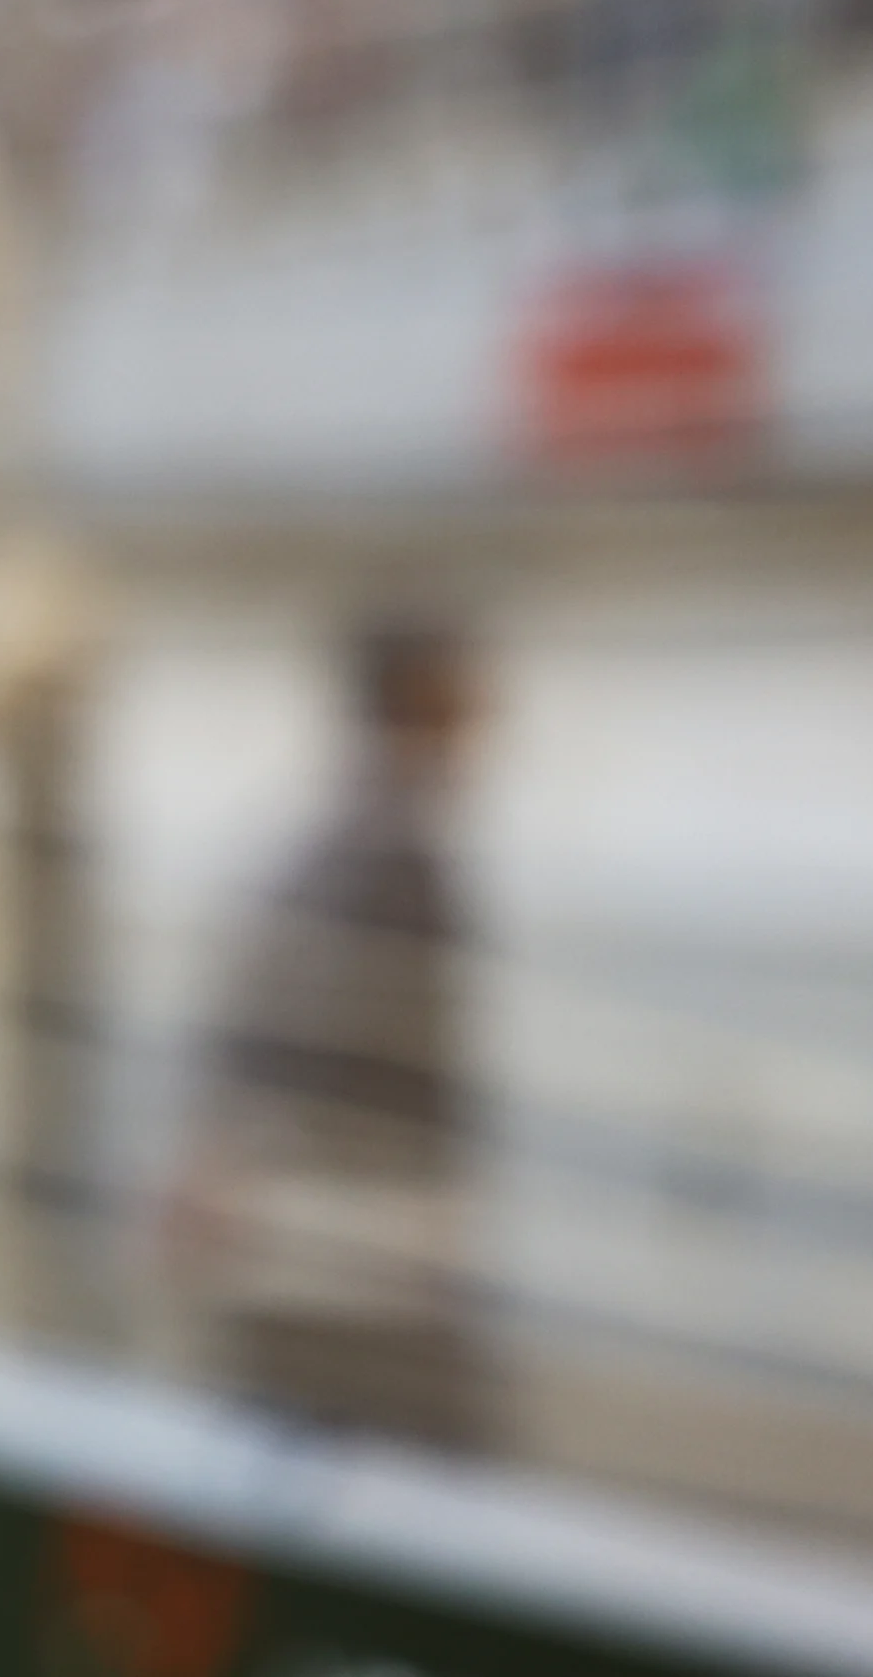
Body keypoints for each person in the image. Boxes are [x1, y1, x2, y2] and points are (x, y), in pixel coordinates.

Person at [171, 612, 491, 1452]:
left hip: (314, 1220)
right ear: (421, 703)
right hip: (352, 1229)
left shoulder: (319, 841)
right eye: (464, 700)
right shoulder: (393, 856)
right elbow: (338, 1039)